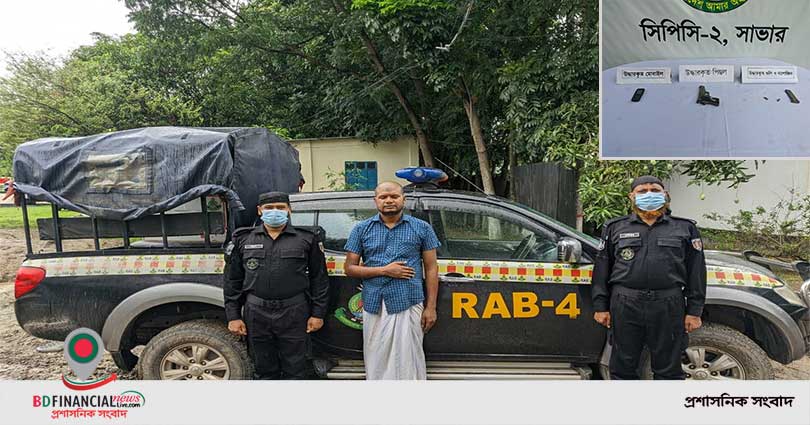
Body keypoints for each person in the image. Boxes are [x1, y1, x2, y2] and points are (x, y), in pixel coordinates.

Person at [591, 175, 706, 380]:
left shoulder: (685, 228)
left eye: (654, 190)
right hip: (625, 303)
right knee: (623, 367)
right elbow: (602, 268)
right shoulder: (615, 228)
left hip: (668, 304)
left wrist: (694, 311)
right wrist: (601, 306)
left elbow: (696, 271)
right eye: (642, 191)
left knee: (668, 369)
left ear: (665, 195)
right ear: (631, 197)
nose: (649, 195)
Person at [223, 191, 329, 379]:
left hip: (294, 311)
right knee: (263, 368)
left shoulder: (306, 239)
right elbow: (233, 280)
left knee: (296, 369)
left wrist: (317, 314)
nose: (275, 211)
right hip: (256, 312)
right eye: (269, 208)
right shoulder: (244, 239)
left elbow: (319, 279)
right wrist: (233, 316)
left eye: (280, 207)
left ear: (289, 210)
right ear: (259, 210)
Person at [343, 181, 440, 380]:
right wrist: (385, 271)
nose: (389, 201)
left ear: (403, 199)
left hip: (409, 301)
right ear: (375, 201)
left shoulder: (421, 228)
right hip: (374, 303)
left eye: (394, 196)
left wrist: (431, 308)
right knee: (376, 357)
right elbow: (349, 268)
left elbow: (431, 268)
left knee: (409, 358)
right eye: (383, 197)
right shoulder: (361, 229)